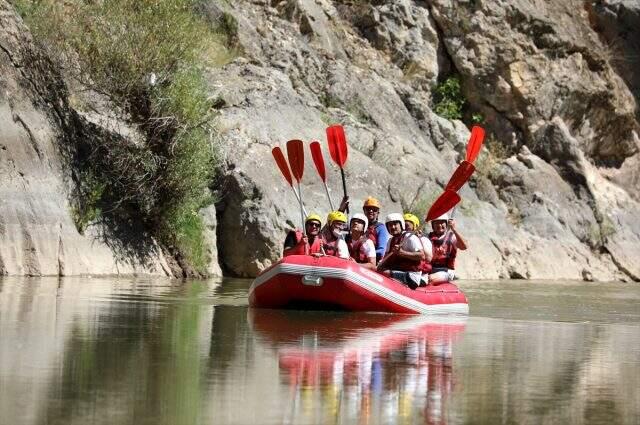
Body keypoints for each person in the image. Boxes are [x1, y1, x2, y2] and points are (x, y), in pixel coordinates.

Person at [376, 213, 424, 290]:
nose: (393, 227)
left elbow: (421, 256)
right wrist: (380, 264)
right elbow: (386, 259)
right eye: (390, 225)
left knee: (381, 272)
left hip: (411, 276)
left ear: (401, 225)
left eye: (395, 224)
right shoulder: (390, 241)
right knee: (377, 269)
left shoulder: (410, 237)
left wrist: (402, 253)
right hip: (397, 271)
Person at [427, 213, 468, 284]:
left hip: (447, 271)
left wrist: (454, 230)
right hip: (430, 269)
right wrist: (436, 256)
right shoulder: (427, 237)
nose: (439, 225)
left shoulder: (452, 237)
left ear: (446, 224)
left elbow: (464, 247)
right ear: (432, 225)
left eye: (442, 223)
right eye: (436, 223)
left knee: (430, 278)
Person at [403, 213, 433, 285]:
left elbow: (428, 258)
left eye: (407, 226)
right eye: (403, 226)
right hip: (403, 271)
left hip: (420, 276)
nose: (404, 228)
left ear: (415, 227)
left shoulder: (424, 240)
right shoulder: (399, 239)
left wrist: (418, 240)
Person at [362, 197, 389, 263]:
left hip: (372, 262)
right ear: (364, 211)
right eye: (368, 209)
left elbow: (381, 251)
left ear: (378, 213)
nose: (371, 211)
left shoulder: (380, 228)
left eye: (374, 209)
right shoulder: (359, 225)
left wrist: (364, 255)